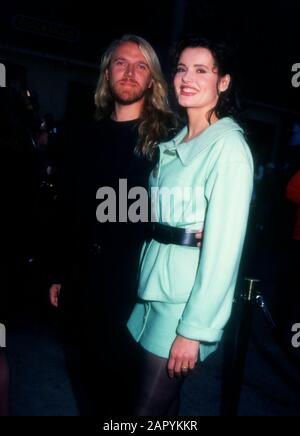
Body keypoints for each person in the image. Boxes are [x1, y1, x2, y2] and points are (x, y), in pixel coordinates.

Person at [48, 34, 179, 416]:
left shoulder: (166, 142)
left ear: (152, 79)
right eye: (121, 63)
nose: (130, 73)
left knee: (126, 396)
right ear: (107, 73)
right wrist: (58, 271)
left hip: (131, 288)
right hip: (81, 281)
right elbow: (67, 208)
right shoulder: (83, 132)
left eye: (141, 66)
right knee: (85, 384)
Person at [127, 35, 254, 416]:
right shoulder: (178, 139)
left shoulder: (228, 148)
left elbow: (224, 251)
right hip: (153, 287)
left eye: (201, 70)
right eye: (182, 68)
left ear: (224, 82)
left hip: (183, 306)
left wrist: (193, 330)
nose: (186, 78)